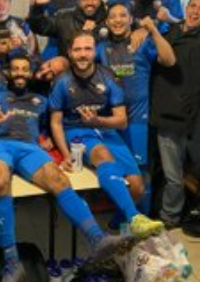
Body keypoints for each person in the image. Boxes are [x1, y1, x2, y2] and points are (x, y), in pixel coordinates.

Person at [0, 54, 133, 282]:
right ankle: (12, 264)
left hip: (30, 148)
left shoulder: (41, 101)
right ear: (9, 72)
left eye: (24, 69)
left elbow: (49, 129)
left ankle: (97, 239)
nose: (20, 73)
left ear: (30, 73)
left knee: (60, 181)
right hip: (1, 144)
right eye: (15, 69)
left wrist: (50, 141)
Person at [49, 32, 164, 241]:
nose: (82, 54)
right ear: (70, 53)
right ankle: (135, 217)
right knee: (102, 153)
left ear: (95, 51)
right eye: (77, 49)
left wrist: (97, 120)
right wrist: (66, 155)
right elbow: (55, 122)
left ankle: (112, 230)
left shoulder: (109, 77)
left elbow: (122, 121)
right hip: (77, 130)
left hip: (105, 129)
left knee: (137, 188)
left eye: (87, 49)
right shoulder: (61, 82)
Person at [96, 3, 175, 216]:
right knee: (119, 172)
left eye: (123, 15)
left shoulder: (143, 41)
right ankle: (124, 221)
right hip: (112, 120)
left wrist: (152, 30)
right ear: (107, 22)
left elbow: (169, 60)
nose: (118, 20)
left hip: (138, 120)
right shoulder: (102, 48)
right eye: (113, 16)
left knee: (141, 173)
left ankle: (143, 222)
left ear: (131, 19)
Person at [150, 0, 200, 228]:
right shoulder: (170, 32)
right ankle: (170, 217)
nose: (196, 11)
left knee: (192, 173)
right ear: (186, 7)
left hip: (195, 120)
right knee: (172, 176)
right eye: (193, 6)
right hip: (168, 116)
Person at [28, 0, 107, 57]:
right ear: (78, 0)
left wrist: (92, 34)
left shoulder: (109, 19)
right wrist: (37, 8)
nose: (90, 3)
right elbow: (39, 27)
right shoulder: (64, 17)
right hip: (68, 64)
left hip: (103, 65)